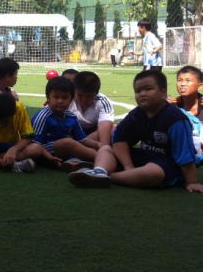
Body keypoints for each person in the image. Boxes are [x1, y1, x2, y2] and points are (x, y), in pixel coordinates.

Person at [69, 71, 203, 192]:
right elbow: (120, 137)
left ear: (163, 93)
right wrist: (128, 166)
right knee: (106, 149)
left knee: (153, 173)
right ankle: (99, 171)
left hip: (166, 163)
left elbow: (185, 154)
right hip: (143, 156)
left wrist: (191, 182)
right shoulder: (137, 113)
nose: (142, 94)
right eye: (138, 91)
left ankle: (110, 177)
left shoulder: (175, 119)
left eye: (148, 89)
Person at [31, 76, 99, 170]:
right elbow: (35, 142)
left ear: (71, 99)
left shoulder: (71, 116)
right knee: (68, 142)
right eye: (56, 97)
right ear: (48, 98)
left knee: (89, 148)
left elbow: (82, 139)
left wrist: (98, 145)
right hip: (44, 153)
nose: (60, 101)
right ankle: (102, 160)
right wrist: (49, 157)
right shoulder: (43, 116)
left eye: (65, 97)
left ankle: (75, 162)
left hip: (63, 151)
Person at [68, 71, 115, 147]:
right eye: (80, 95)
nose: (84, 99)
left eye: (89, 96)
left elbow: (104, 126)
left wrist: (103, 148)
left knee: (113, 128)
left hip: (93, 135)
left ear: (96, 94)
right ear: (74, 90)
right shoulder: (68, 98)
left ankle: (80, 150)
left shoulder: (103, 102)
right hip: (71, 135)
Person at [169, 65, 203, 165]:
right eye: (179, 80)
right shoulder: (172, 105)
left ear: (200, 86)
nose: (183, 84)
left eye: (188, 80)